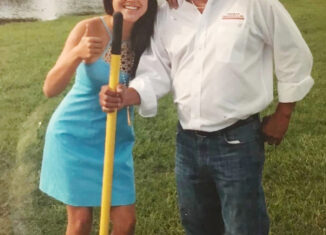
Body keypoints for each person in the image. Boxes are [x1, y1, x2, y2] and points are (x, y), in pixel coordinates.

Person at [99, 0, 314, 234]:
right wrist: (128, 94)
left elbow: (292, 52)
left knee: (243, 225)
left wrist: (284, 113)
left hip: (238, 140)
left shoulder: (254, 4)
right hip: (188, 143)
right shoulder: (168, 12)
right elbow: (156, 69)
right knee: (198, 225)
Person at [39, 0, 158, 234]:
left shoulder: (153, 32)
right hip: (74, 136)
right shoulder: (89, 28)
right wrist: (76, 54)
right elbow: (50, 88)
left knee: (126, 222)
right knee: (81, 221)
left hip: (116, 140)